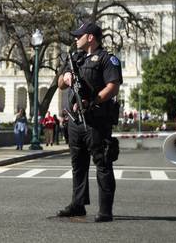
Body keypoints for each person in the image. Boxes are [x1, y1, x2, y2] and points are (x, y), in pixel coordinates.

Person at [56, 22, 122, 221]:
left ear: (90, 37)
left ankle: (105, 210)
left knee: (102, 163)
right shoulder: (75, 58)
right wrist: (66, 76)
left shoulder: (107, 59)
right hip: (75, 121)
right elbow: (59, 84)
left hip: (97, 119)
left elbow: (113, 86)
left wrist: (93, 101)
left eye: (79, 35)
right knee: (78, 164)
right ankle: (78, 204)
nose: (76, 39)